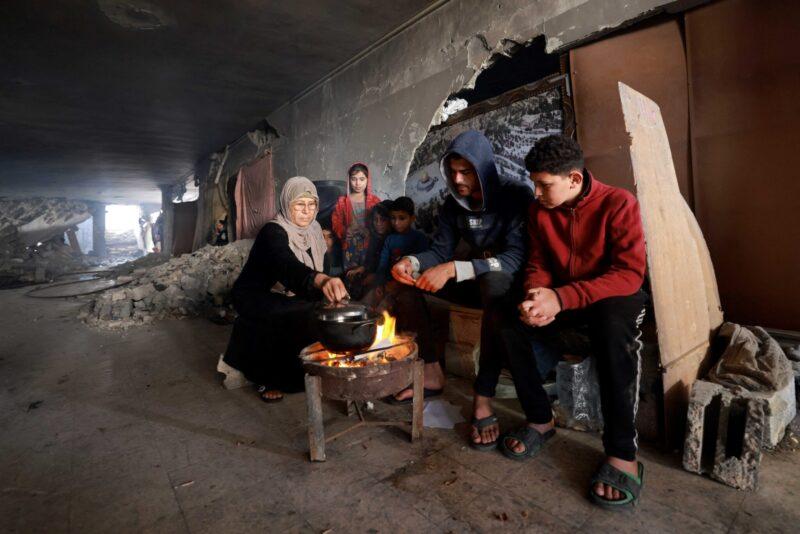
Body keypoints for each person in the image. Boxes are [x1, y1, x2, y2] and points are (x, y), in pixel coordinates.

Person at [499, 134, 648, 509]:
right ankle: (539, 419)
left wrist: (561, 298)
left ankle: (621, 452)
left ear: (574, 179)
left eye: (544, 184)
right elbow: (539, 263)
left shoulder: (619, 203)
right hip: (566, 298)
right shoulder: (539, 212)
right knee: (508, 321)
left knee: (613, 329)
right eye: (534, 183)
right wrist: (537, 295)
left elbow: (629, 274)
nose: (536, 193)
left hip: (611, 296)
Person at [390, 130, 532, 431]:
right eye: (452, 172)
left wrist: (455, 268)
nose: (457, 180)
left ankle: (483, 396)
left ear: (483, 168)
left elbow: (515, 259)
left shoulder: (515, 195)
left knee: (493, 284)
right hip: (474, 278)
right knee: (404, 285)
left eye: (465, 171)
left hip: (510, 286)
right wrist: (412, 262)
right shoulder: (453, 205)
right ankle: (430, 371)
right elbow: (439, 251)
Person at [223, 177, 348, 403]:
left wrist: (330, 286)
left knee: (326, 310)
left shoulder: (315, 229)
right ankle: (269, 378)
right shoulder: (273, 232)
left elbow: (322, 265)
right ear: (287, 204)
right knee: (291, 313)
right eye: (299, 205)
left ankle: (312, 368)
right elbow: (286, 264)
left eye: (311, 205)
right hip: (254, 294)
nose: (306, 212)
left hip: (295, 288)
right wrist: (320, 281)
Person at [331, 162, 381, 276]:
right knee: (350, 275)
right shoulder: (342, 202)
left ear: (368, 180)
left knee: (367, 274)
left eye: (362, 179)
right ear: (349, 180)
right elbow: (336, 222)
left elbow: (381, 223)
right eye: (354, 179)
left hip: (369, 245)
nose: (357, 183)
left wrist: (370, 232)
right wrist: (344, 231)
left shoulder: (375, 201)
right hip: (349, 246)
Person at [375, 197, 428, 285]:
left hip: (410, 284)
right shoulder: (389, 239)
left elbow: (422, 268)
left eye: (402, 218)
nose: (396, 223)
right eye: (393, 218)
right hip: (389, 283)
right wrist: (379, 284)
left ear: (412, 218)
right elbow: (382, 266)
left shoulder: (420, 238)